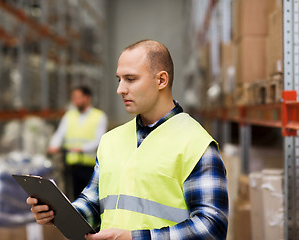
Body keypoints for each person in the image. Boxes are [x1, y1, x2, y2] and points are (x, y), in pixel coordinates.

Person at [28, 40, 228, 240]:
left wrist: (135, 238)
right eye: (119, 80)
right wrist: (59, 213)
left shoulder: (196, 143)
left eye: (130, 79)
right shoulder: (111, 140)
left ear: (161, 81)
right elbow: (93, 202)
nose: (120, 89)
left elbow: (212, 227)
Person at [47, 86, 107, 198]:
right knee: (74, 197)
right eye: (74, 98)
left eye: (78, 97)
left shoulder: (99, 116)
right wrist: (53, 146)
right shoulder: (69, 115)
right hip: (73, 166)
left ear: (87, 97)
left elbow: (99, 139)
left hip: (91, 166)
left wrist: (82, 148)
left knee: (91, 198)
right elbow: (60, 133)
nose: (75, 100)